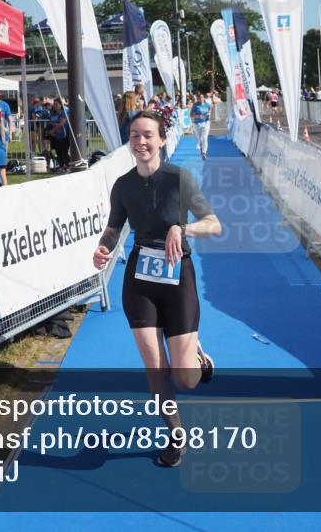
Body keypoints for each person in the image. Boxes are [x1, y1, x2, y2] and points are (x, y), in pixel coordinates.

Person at [92, 110, 223, 467]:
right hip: (140, 280)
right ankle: (175, 435)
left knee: (186, 379)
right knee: (154, 367)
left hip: (178, 277)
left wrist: (184, 228)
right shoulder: (122, 185)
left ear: (162, 140)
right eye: (135, 135)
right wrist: (104, 246)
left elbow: (214, 224)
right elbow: (113, 228)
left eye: (148, 135)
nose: (141, 142)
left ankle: (196, 356)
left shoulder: (179, 179)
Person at [46, 98, 71, 172]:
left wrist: (52, 130)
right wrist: (49, 131)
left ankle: (68, 166)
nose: (55, 106)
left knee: (64, 152)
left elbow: (61, 124)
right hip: (54, 137)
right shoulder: (53, 113)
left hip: (63, 136)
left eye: (56, 104)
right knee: (57, 152)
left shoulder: (63, 112)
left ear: (60, 105)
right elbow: (50, 123)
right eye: (54, 104)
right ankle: (61, 166)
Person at [191, 92, 212, 160]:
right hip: (197, 124)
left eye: (202, 97)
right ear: (198, 98)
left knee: (204, 138)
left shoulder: (207, 105)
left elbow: (210, 111)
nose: (201, 99)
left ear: (204, 98)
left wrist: (209, 115)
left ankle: (204, 153)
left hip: (206, 123)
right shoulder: (195, 105)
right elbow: (191, 115)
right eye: (199, 98)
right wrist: (197, 116)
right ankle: (201, 150)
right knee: (199, 138)